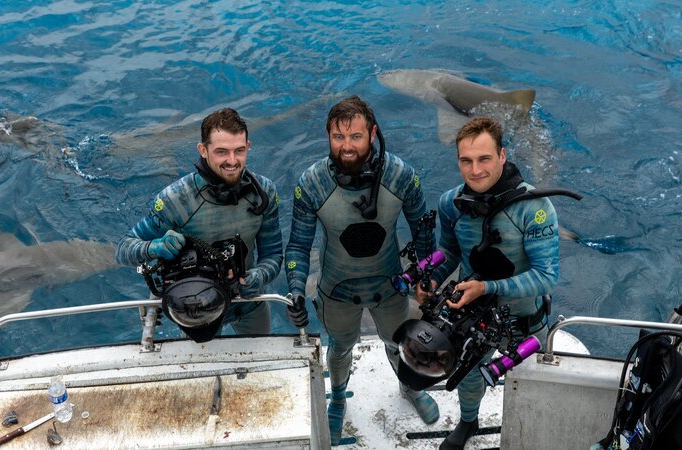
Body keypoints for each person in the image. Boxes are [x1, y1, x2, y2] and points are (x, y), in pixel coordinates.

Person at [284, 95, 439, 445]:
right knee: (339, 347)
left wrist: (426, 277)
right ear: (328, 136)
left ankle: (409, 387)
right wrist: (295, 288)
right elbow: (297, 246)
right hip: (336, 289)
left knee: (397, 340)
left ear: (372, 133)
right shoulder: (312, 183)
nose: (347, 146)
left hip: (390, 286)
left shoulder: (400, 176)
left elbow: (424, 232)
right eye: (338, 138)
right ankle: (338, 398)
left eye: (355, 136)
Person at [415, 116, 561, 449]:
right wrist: (430, 278)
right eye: (466, 161)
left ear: (502, 156)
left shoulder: (535, 208)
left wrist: (487, 288)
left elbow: (546, 277)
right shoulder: (451, 204)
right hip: (472, 318)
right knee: (467, 378)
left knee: (531, 386)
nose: (475, 169)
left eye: (484, 159)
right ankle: (469, 422)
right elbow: (448, 254)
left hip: (526, 322)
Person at [116, 108, 282, 339]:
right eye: (221, 152)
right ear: (203, 150)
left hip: (248, 302)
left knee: (262, 360)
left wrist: (260, 276)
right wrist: (153, 247)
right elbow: (123, 249)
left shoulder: (263, 192)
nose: (232, 161)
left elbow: (273, 254)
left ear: (248, 147)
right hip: (194, 309)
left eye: (239, 151)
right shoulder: (176, 199)